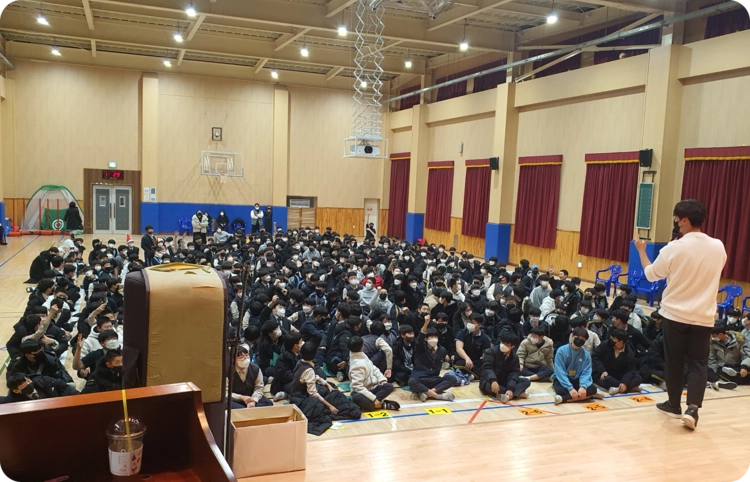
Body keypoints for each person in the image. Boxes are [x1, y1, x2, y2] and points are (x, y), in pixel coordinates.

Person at [635, 200, 727, 429]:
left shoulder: (674, 248)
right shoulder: (718, 246)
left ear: (684, 220)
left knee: (674, 361)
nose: (676, 223)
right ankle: (693, 409)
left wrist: (642, 251)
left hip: (675, 314)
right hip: (704, 316)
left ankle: (674, 404)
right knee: (699, 364)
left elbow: (651, 274)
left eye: (677, 219)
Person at [409, 314, 457, 402]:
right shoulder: (420, 348)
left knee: (452, 378)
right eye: (431, 337)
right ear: (426, 339)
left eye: (435, 337)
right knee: (411, 381)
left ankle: (427, 392)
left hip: (434, 378)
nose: (434, 339)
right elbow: (419, 338)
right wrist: (426, 323)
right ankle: (437, 396)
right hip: (420, 378)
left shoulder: (442, 350)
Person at [348, 336, 401, 412]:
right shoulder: (356, 365)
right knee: (357, 397)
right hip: (361, 392)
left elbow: (374, 368)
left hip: (372, 388)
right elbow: (357, 387)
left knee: (389, 386)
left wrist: (382, 379)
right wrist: (374, 399)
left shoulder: (362, 355)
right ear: (362, 346)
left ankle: (368, 405)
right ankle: (381, 405)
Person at [552, 327, 602, 404]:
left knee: (592, 389)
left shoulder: (586, 354)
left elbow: (586, 372)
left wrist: (583, 386)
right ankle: (588, 396)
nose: (580, 340)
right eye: (578, 337)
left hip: (577, 379)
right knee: (561, 391)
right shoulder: (561, 351)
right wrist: (570, 388)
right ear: (572, 336)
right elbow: (560, 371)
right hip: (562, 378)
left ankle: (563, 399)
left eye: (583, 339)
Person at [480, 332, 530, 402]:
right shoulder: (491, 352)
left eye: (506, 344)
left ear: (512, 346)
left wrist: (510, 388)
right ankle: (517, 394)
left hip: (505, 381)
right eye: (502, 342)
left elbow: (514, 373)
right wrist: (493, 380)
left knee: (526, 381)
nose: (503, 345)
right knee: (488, 386)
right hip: (490, 380)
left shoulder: (514, 357)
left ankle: (506, 394)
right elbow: (487, 368)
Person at [592, 329, 643, 395]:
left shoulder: (629, 352)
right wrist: (602, 370)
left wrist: (625, 382)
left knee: (638, 378)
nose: (611, 340)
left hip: (620, 374)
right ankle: (630, 388)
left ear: (621, 342)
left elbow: (631, 370)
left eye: (614, 340)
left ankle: (619, 388)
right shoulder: (605, 344)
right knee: (606, 379)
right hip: (606, 373)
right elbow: (595, 357)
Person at [708, 323, 748, 387]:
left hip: (737, 366)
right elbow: (712, 359)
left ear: (720, 334)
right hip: (721, 367)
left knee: (744, 372)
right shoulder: (713, 343)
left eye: (714, 336)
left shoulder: (739, 341)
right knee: (712, 371)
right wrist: (715, 371)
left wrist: (744, 367)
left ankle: (726, 380)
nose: (712, 338)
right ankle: (721, 380)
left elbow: (745, 355)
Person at [454, 314, 491, 379]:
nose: (469, 324)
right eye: (469, 322)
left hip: (475, 361)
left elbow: (488, 352)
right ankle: (481, 376)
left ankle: (471, 375)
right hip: (462, 360)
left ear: (479, 325)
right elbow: (459, 348)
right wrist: (467, 359)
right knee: (465, 364)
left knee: (485, 363)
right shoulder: (462, 333)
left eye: (472, 322)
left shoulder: (484, 337)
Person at [2, 373, 78, 404]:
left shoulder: (42, 380)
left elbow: (62, 386)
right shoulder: (13, 402)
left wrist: (61, 402)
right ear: (16, 391)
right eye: (24, 385)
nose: (28, 384)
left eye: (28, 381)